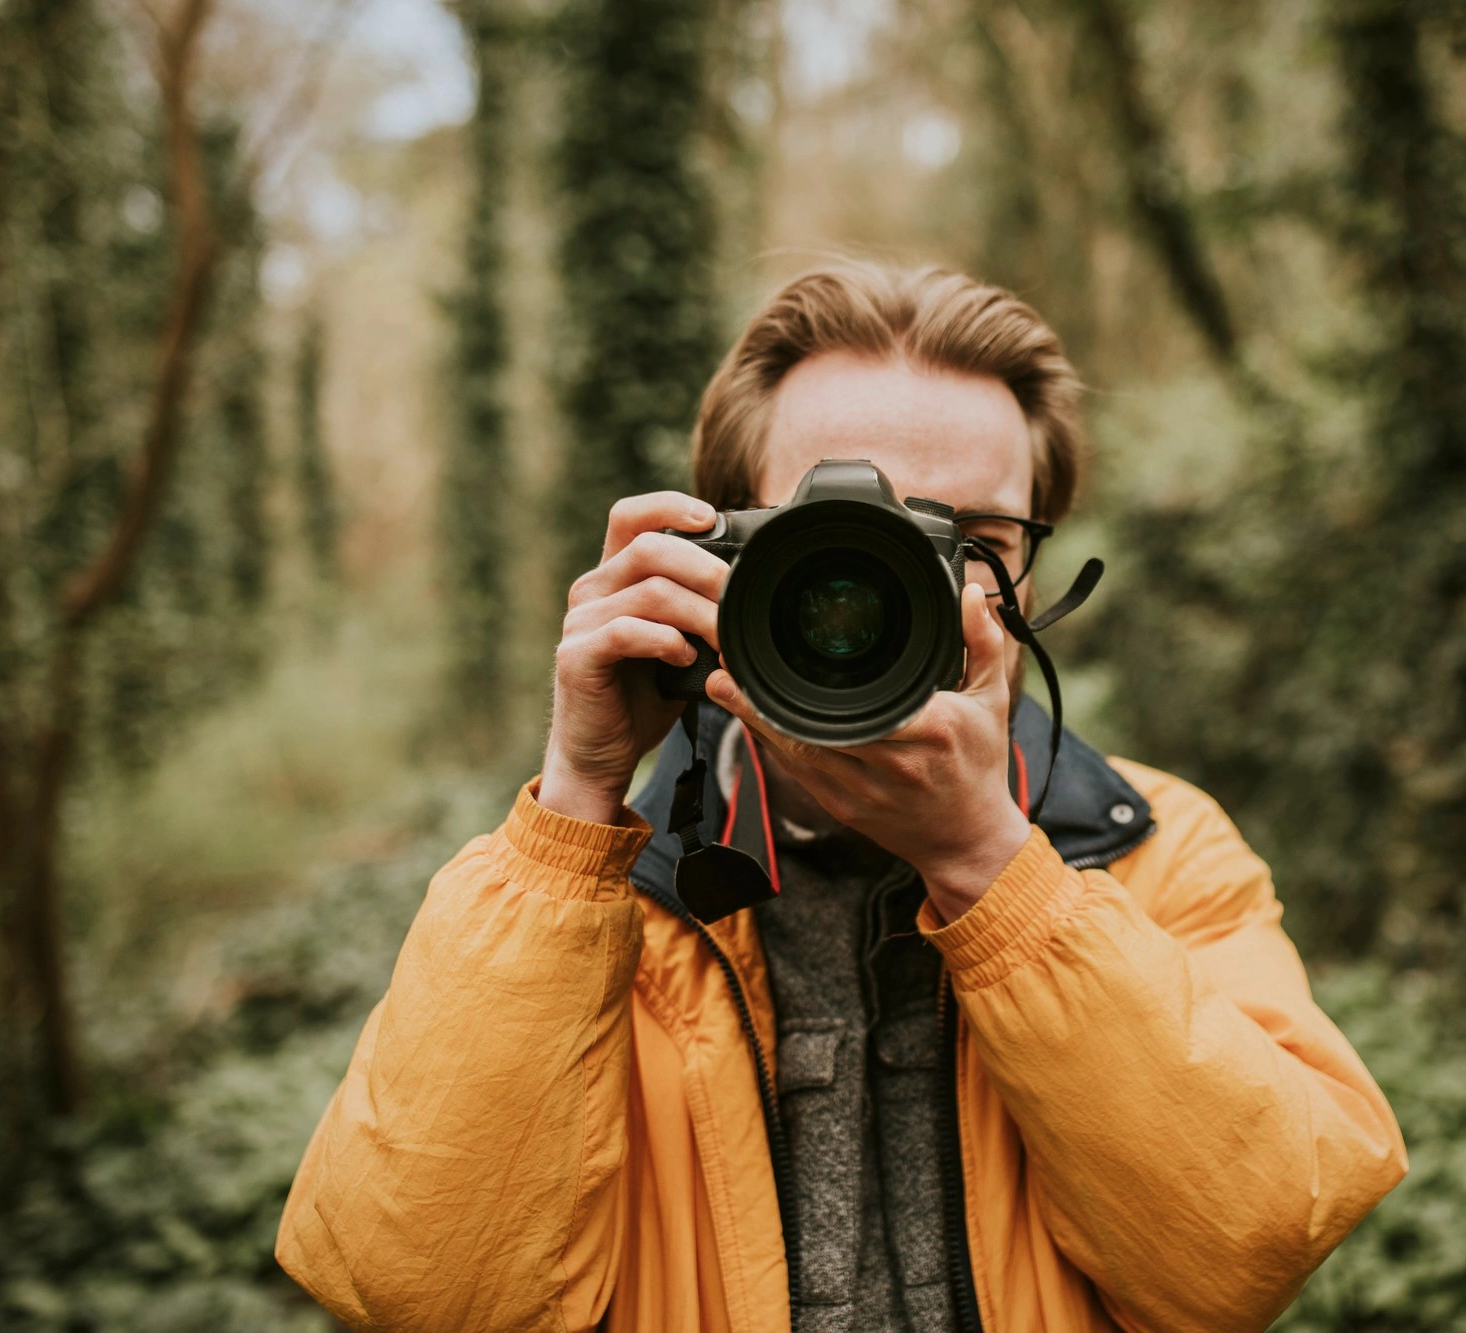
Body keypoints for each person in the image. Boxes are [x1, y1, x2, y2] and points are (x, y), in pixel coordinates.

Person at [275, 263, 1407, 1332]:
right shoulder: (592, 893)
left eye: (970, 540)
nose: (895, 586)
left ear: (1034, 569)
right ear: (716, 552)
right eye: (834, 540)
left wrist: (987, 865)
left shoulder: (1160, 849)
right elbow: (423, 1295)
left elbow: (1248, 1247)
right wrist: (577, 800)